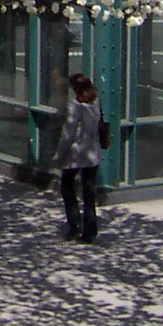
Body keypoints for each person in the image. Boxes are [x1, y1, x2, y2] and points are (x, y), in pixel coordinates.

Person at [54, 72, 103, 243]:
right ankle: (90, 229)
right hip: (92, 153)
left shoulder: (76, 106)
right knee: (89, 193)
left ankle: (74, 224)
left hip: (76, 153)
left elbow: (68, 133)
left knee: (67, 187)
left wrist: (59, 154)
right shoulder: (96, 102)